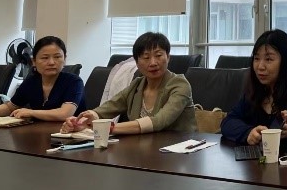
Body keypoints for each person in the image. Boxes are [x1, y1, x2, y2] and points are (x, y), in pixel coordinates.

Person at [61, 32, 196, 135]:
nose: (153, 62)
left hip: (179, 150)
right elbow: (110, 107)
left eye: (159, 55)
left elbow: (160, 121)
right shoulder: (137, 84)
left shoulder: (179, 85)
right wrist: (83, 121)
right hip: (143, 149)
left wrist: (108, 128)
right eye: (146, 57)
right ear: (137, 63)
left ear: (168, 57)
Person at [0, 36, 84, 121]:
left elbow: (65, 114)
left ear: (64, 59)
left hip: (71, 131)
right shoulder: (31, 82)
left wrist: (31, 112)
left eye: (57, 57)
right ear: (34, 61)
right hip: (39, 130)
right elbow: (10, 107)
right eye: (45, 58)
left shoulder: (74, 82)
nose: (51, 62)